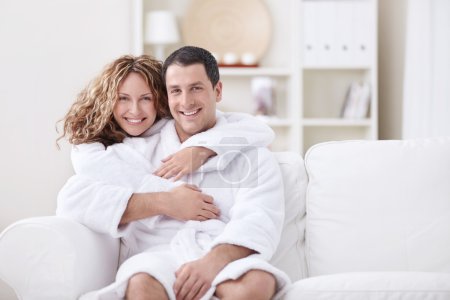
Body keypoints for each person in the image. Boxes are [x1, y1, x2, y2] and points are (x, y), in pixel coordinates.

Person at [57, 47, 289, 300]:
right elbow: (72, 198)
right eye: (176, 91)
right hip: (158, 256)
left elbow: (258, 221)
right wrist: (164, 201)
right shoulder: (139, 150)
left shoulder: (251, 156)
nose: (186, 101)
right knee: (141, 283)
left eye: (196, 88)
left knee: (257, 282)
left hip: (219, 251)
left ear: (217, 91)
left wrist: (210, 263)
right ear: (166, 97)